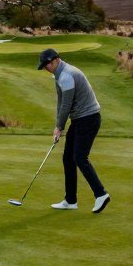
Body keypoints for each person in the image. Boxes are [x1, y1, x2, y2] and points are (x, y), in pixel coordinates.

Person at [37, 47, 110, 213]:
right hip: (79, 119)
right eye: (44, 66)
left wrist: (59, 126)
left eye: (47, 65)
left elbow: (66, 105)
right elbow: (60, 102)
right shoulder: (59, 75)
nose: (46, 68)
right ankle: (70, 200)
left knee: (79, 157)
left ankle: (101, 194)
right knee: (68, 158)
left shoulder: (66, 76)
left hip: (89, 119)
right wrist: (59, 126)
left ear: (55, 60)